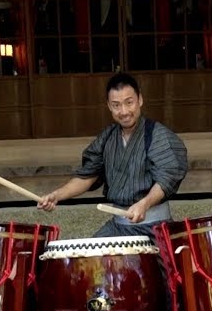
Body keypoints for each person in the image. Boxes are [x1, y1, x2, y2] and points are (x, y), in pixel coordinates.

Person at [37, 73, 188, 238]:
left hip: (154, 227)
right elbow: (88, 176)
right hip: (118, 226)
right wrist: (56, 196)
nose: (123, 111)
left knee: (157, 263)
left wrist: (144, 204)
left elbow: (167, 179)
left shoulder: (159, 136)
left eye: (129, 103)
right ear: (109, 106)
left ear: (140, 100)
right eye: (116, 105)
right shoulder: (107, 138)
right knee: (89, 257)